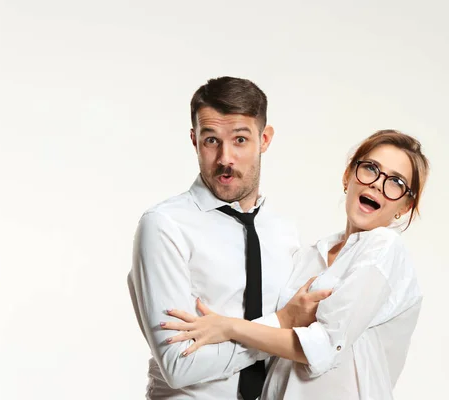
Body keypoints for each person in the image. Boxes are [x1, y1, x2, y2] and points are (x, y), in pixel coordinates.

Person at [161, 129, 430, 399]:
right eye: (371, 168)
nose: (376, 184)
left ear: (405, 206)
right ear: (348, 175)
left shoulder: (384, 248)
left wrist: (229, 327)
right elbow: (274, 339)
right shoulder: (309, 256)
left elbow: (324, 347)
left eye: (395, 181)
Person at [127, 76, 329, 400]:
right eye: (211, 140)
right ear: (194, 140)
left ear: (265, 139)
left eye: (240, 140)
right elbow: (179, 366)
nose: (225, 159)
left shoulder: (283, 230)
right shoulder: (165, 226)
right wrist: (279, 326)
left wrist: (237, 330)